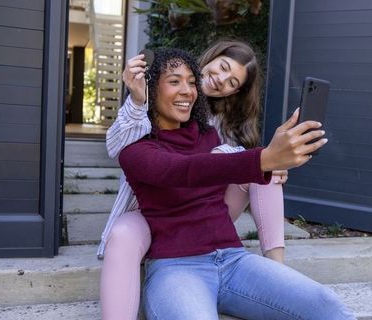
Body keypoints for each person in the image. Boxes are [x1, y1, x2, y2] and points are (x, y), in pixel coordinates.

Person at [118, 47, 354, 320]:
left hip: (233, 259)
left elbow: (222, 165)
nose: (187, 90)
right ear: (149, 87)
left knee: (327, 305)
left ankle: (277, 266)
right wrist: (263, 159)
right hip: (176, 267)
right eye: (174, 81)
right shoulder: (135, 148)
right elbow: (185, 170)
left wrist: (268, 163)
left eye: (192, 83)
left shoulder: (209, 135)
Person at [99, 40, 288, 319]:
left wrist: (264, 165)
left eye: (233, 82)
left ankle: (278, 273)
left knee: (267, 175)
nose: (221, 80)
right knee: (124, 233)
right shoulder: (155, 95)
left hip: (200, 205)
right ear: (210, 57)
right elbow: (119, 144)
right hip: (152, 207)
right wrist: (138, 99)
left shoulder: (220, 120)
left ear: (235, 92)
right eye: (222, 67)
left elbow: (225, 165)